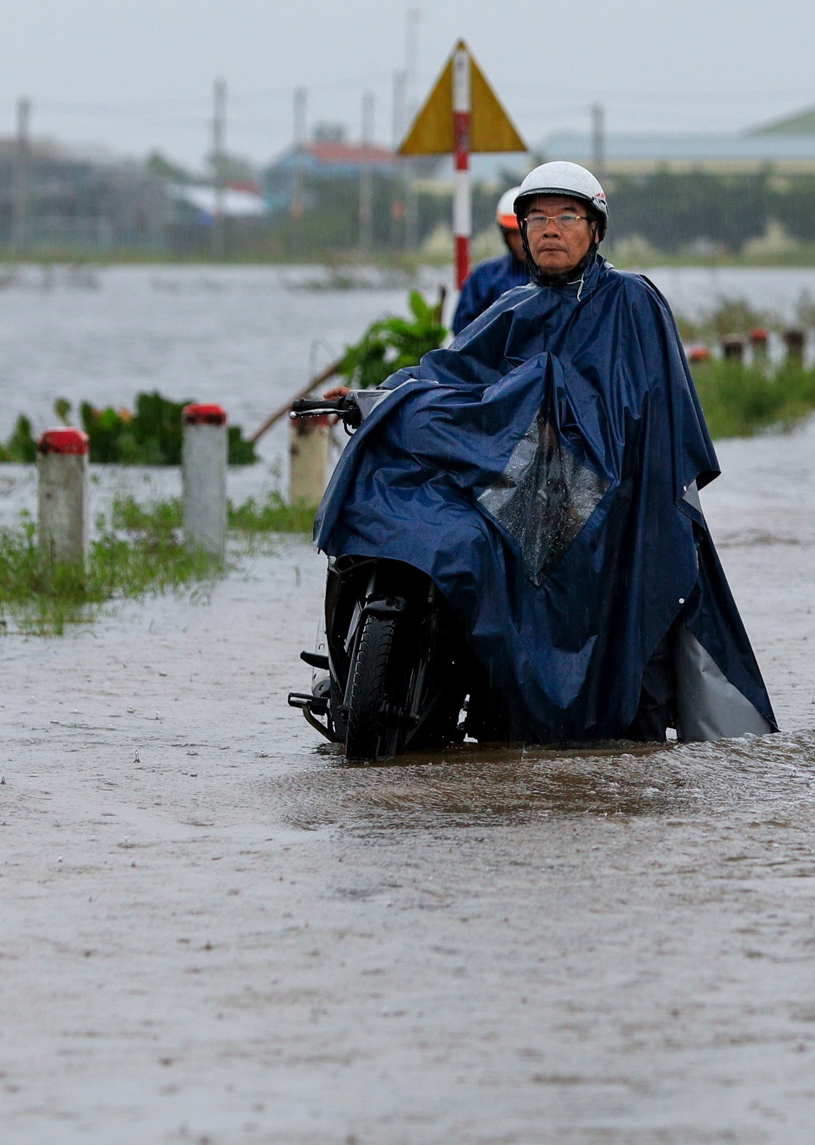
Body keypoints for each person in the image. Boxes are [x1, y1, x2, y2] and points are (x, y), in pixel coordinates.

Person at [315, 161, 776, 744]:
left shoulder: (632, 301)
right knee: (427, 514)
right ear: (523, 232)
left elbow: (647, 413)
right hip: (528, 480)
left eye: (566, 217)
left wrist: (547, 404)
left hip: (609, 491)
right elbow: (450, 373)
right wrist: (380, 397)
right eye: (537, 218)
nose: (550, 229)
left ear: (595, 230)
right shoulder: (513, 306)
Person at [450, 185, 530, 335]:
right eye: (514, 234)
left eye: (525, 233)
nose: (521, 242)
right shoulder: (484, 275)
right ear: (504, 234)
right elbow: (462, 327)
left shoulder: (560, 276)